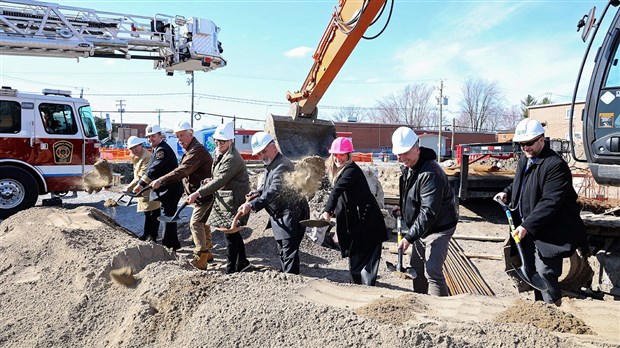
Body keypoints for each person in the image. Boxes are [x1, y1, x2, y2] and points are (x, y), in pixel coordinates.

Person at [494, 119, 588, 305]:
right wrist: (506, 192)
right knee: (532, 271)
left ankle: (552, 311)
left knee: (545, 271)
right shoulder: (525, 160)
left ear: (541, 139)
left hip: (550, 231)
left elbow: (550, 202)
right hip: (529, 229)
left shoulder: (554, 165)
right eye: (522, 144)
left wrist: (527, 226)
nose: (525, 148)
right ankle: (540, 311)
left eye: (529, 143)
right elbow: (519, 184)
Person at [392, 126, 458, 296]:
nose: (401, 157)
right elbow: (413, 196)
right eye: (398, 154)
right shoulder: (410, 168)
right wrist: (404, 210)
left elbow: (429, 211)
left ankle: (441, 309)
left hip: (439, 226)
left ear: (416, 147)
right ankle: (421, 302)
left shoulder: (430, 173)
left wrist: (409, 238)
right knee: (417, 268)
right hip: (423, 226)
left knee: (432, 271)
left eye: (405, 152)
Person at [237, 132, 310, 275]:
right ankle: (285, 275)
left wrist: (252, 205)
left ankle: (290, 280)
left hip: (291, 215)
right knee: (283, 250)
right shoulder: (273, 163)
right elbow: (269, 187)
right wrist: (257, 193)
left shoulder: (282, 165)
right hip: (281, 215)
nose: (261, 156)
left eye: (264, 151)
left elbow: (274, 190)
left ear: (274, 147)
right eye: (258, 154)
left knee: (288, 252)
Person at [320, 137, 388, 286]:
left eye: (342, 154)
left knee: (363, 268)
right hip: (359, 225)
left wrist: (327, 212)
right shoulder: (342, 172)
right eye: (335, 154)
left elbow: (337, 191)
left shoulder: (351, 171)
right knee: (356, 265)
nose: (338, 158)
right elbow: (345, 200)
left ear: (349, 155)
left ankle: (364, 294)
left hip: (368, 226)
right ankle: (359, 290)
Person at [187, 122, 252, 274]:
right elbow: (219, 177)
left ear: (231, 141)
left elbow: (221, 180)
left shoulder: (232, 158)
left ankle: (232, 267)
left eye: (222, 141)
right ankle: (242, 262)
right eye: (217, 140)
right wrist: (210, 180)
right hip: (226, 198)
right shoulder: (222, 154)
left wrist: (198, 193)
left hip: (233, 200)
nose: (219, 143)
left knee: (230, 233)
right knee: (231, 233)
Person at [150, 121, 214, 270]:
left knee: (195, 223)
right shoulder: (191, 149)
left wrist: (161, 180)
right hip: (200, 193)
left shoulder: (196, 150)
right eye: (177, 137)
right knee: (203, 223)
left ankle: (201, 258)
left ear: (191, 134)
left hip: (204, 193)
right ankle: (208, 253)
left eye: (182, 136)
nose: (179, 140)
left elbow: (183, 170)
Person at [134, 124, 184, 250]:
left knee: (168, 216)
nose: (151, 139)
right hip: (168, 188)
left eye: (153, 136)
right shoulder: (157, 149)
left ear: (160, 135)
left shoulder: (162, 150)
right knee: (169, 216)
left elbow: (152, 170)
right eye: (149, 137)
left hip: (171, 188)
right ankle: (173, 244)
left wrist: (140, 184)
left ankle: (168, 245)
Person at [124, 136, 161, 242]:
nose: (134, 150)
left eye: (136, 147)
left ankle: (153, 236)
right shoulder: (136, 156)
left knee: (154, 212)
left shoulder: (147, 157)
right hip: (142, 189)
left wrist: (129, 187)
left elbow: (142, 175)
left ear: (141, 145)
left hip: (151, 188)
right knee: (147, 212)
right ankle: (146, 233)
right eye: (131, 148)